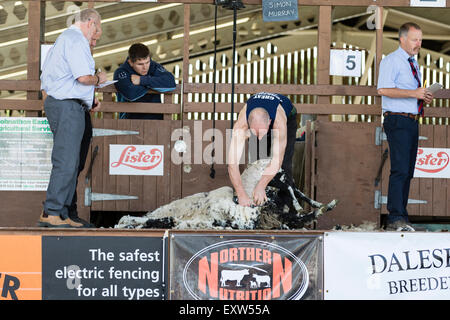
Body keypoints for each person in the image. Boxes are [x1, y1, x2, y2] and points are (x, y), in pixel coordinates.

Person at [39, 8, 107, 228]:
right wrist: (99, 78)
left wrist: (88, 100)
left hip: (62, 104)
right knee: (67, 161)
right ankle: (51, 212)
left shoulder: (62, 40)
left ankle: (62, 213)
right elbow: (83, 77)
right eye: (95, 35)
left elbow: (58, 80)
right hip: (67, 107)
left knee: (70, 161)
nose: (94, 41)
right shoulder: (76, 40)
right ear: (91, 23)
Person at [377, 22, 434, 231]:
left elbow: (410, 91)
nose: (418, 43)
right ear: (402, 39)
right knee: (400, 169)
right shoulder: (392, 61)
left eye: (420, 39)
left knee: (408, 170)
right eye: (414, 39)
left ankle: (402, 215)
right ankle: (395, 217)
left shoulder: (412, 62)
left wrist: (422, 95)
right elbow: (382, 89)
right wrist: (414, 93)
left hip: (410, 118)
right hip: (397, 119)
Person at [228, 92, 297, 207]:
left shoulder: (279, 124)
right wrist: (241, 194)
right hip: (259, 122)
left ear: (270, 122)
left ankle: (285, 206)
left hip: (288, 115)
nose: (260, 138)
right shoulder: (241, 126)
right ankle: (256, 202)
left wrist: (261, 186)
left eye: (262, 133)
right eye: (255, 133)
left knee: (284, 166)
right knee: (256, 162)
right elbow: (232, 164)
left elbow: (276, 161)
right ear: (248, 126)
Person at [113, 43, 176, 119]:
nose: (145, 67)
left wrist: (142, 80)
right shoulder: (121, 72)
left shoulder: (153, 66)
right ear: (130, 62)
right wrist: (155, 84)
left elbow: (171, 83)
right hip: (130, 122)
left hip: (156, 120)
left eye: (147, 62)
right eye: (140, 64)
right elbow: (131, 94)